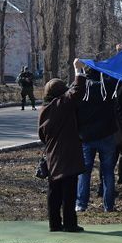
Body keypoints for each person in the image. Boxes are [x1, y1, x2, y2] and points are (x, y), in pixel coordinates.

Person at [38, 58, 87, 232]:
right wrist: (77, 70)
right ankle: (70, 224)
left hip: (52, 155)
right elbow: (77, 90)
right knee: (69, 191)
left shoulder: (44, 109)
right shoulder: (61, 105)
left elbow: (42, 135)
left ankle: (54, 223)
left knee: (54, 192)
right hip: (67, 154)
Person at [76, 67, 119, 212]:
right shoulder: (107, 87)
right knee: (108, 172)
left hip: (86, 136)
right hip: (107, 135)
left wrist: (77, 71)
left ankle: (81, 204)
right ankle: (109, 205)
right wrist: (119, 55)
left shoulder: (81, 88)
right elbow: (117, 77)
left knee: (84, 171)